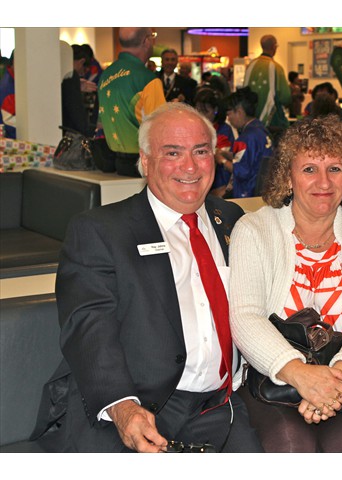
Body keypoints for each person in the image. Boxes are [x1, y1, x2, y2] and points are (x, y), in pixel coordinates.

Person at [30, 102, 263, 453]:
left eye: (201, 151)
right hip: (137, 406)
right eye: (173, 152)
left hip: (221, 406)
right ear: (146, 160)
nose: (190, 166)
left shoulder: (232, 219)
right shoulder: (101, 231)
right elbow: (89, 325)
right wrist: (121, 406)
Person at [228, 115, 342, 452]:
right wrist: (301, 374)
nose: (324, 181)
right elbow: (245, 316)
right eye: (309, 169)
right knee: (290, 445)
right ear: (288, 177)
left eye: (335, 169)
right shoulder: (254, 230)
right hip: (276, 377)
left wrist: (335, 379)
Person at [96, 27, 165, 176]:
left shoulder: (105, 76)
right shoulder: (147, 79)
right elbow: (161, 127)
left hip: (115, 164)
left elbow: (100, 122)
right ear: (146, 41)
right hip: (143, 166)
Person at [223, 87, 273, 198]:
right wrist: (226, 155)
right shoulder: (260, 129)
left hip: (248, 194)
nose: (228, 118)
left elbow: (241, 172)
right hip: (264, 191)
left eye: (229, 114)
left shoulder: (245, 138)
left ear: (239, 112)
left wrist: (221, 161)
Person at [243, 34, 291, 132]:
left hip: (250, 120)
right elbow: (285, 97)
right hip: (272, 122)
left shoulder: (251, 66)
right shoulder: (276, 67)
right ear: (274, 47)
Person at [194, 87, 235, 197]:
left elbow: (217, 155)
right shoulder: (194, 127)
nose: (201, 115)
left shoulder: (224, 129)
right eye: (198, 110)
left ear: (215, 110)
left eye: (205, 111)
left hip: (220, 181)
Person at [61, 44, 97, 137]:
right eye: (83, 71)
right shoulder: (71, 76)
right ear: (81, 62)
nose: (82, 74)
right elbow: (77, 114)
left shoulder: (58, 73)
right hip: (70, 135)